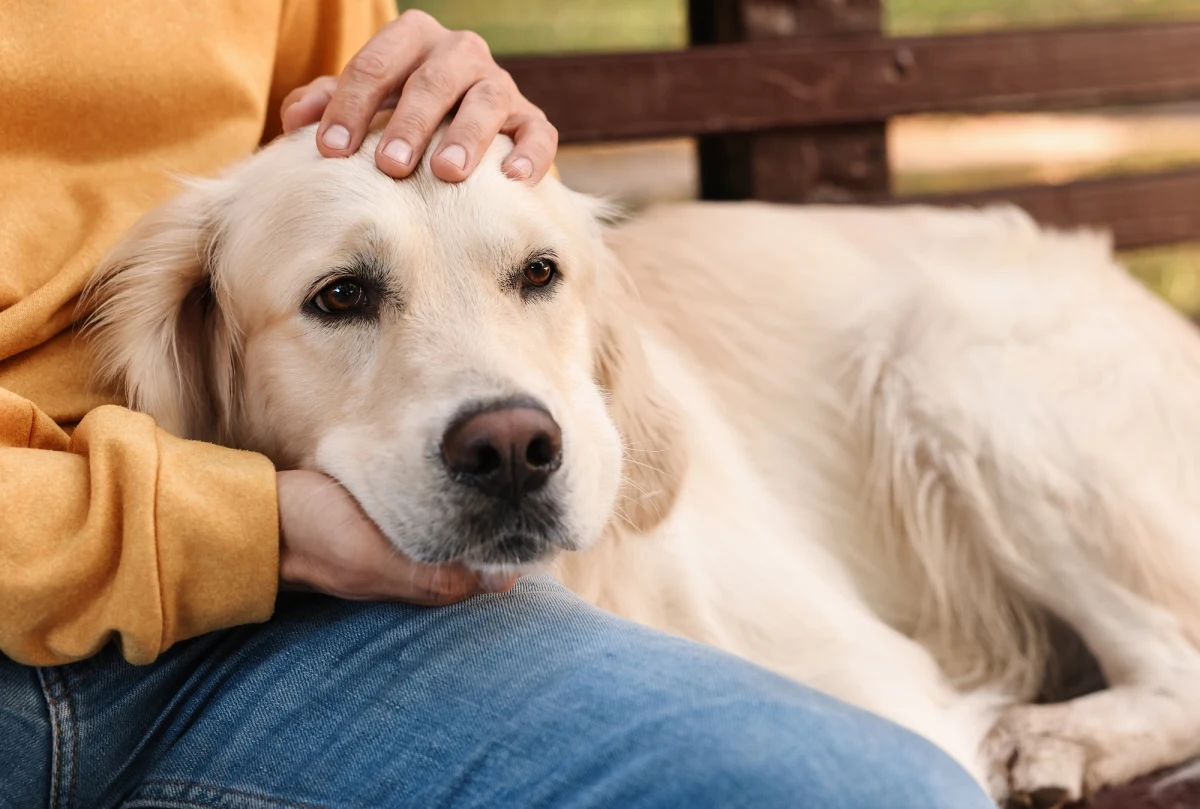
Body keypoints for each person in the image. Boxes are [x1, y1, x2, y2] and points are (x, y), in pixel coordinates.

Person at [0, 2, 994, 806]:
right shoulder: (180, 336)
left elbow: (357, 132)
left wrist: (435, 91)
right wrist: (242, 526)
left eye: (535, 275)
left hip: (269, 627)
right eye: (343, 298)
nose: (502, 425)